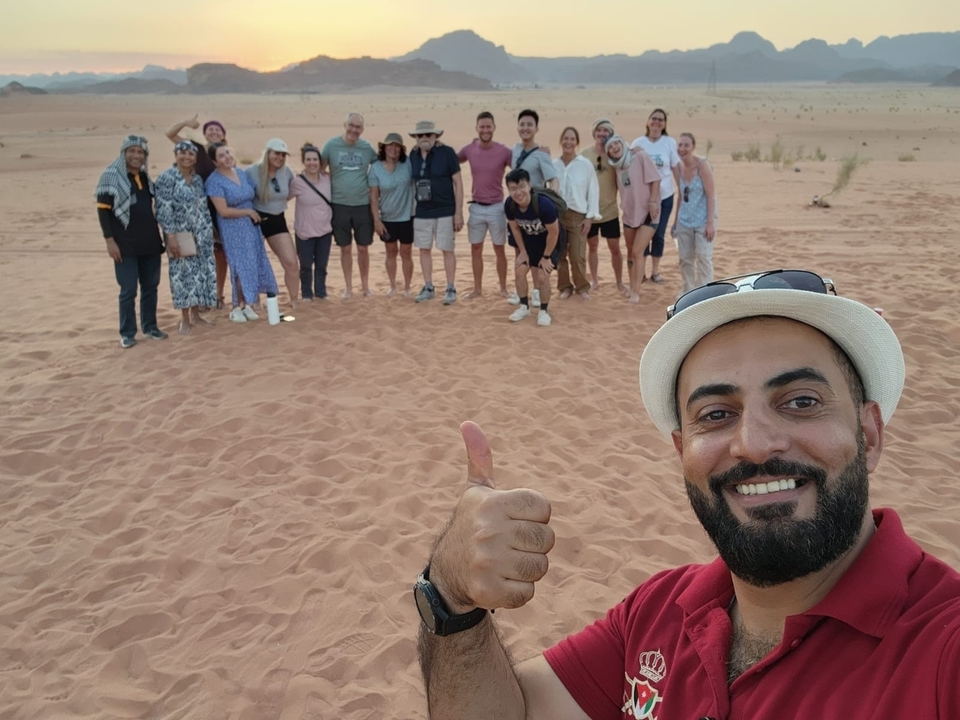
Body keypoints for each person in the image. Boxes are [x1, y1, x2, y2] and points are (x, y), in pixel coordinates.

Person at [414, 269, 960, 719]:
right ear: (683, 451)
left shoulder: (940, 651)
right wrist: (451, 598)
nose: (754, 444)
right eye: (716, 414)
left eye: (801, 401)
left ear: (869, 434)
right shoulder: (659, 612)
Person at [95, 135, 167, 348]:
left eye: (140, 152)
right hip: (124, 245)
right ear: (123, 153)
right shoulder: (111, 176)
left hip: (150, 243)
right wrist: (109, 241)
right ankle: (127, 333)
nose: (136, 156)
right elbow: (103, 211)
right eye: (132, 151)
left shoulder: (144, 177)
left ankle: (150, 327)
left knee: (150, 286)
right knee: (128, 290)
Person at [205, 142, 279, 323]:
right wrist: (247, 212)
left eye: (227, 153)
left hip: (251, 227)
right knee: (239, 265)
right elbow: (223, 211)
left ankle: (246, 304)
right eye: (221, 156)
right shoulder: (214, 181)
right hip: (233, 228)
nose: (227, 157)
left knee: (252, 263)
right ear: (215, 162)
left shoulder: (240, 173)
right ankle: (236, 307)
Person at [165, 115, 230, 308]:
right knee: (198, 253)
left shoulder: (225, 155)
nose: (214, 132)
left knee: (220, 254)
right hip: (196, 211)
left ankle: (218, 295)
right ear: (205, 134)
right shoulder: (196, 150)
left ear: (223, 135)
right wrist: (185, 122)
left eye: (218, 129)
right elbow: (170, 134)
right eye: (210, 129)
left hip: (219, 211)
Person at [154, 141, 217, 335]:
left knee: (199, 274)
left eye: (191, 154)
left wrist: (210, 231)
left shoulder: (197, 180)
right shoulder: (166, 178)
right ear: (176, 155)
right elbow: (163, 209)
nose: (186, 157)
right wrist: (170, 236)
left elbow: (203, 208)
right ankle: (184, 319)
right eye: (182, 153)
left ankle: (196, 315)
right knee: (182, 276)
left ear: (196, 158)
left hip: (202, 234)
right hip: (179, 234)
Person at [457, 111, 513, 299]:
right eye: (482, 127)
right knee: (476, 249)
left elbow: (521, 165)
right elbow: (452, 160)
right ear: (477, 128)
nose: (485, 130)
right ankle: (477, 289)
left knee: (499, 249)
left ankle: (503, 288)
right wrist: (438, 147)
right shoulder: (469, 149)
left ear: (494, 127)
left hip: (497, 207)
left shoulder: (504, 151)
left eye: (488, 126)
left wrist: (541, 151)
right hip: (476, 208)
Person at [321, 112, 377, 298]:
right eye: (351, 125)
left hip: (362, 205)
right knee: (345, 248)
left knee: (363, 248)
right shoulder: (331, 145)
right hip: (339, 205)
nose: (354, 130)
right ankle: (348, 287)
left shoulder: (367, 148)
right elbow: (318, 169)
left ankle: (365, 286)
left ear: (363, 129)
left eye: (358, 127)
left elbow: (381, 165)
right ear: (344, 125)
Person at [408, 120, 464, 305]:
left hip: (445, 210)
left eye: (428, 135)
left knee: (447, 249)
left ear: (435, 136)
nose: (424, 138)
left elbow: (458, 182)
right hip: (422, 211)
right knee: (424, 249)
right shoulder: (413, 154)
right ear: (416, 138)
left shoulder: (447, 152)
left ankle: (450, 288)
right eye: (420, 135)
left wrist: (458, 213)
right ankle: (428, 287)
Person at [508, 109, 558, 308]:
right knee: (519, 249)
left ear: (536, 128)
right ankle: (520, 289)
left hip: (536, 210)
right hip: (517, 208)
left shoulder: (541, 154)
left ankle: (537, 291)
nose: (525, 128)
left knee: (537, 253)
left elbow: (553, 179)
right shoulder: (514, 150)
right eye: (522, 124)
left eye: (530, 125)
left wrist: (551, 198)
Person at [503, 169, 564, 327]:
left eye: (522, 186)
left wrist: (546, 257)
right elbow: (515, 228)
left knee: (542, 276)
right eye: (513, 189)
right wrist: (523, 252)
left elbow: (554, 232)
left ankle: (543, 311)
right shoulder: (509, 205)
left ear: (529, 185)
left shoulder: (544, 205)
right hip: (529, 241)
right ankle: (524, 307)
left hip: (550, 242)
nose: (518, 192)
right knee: (519, 272)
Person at [606, 135, 660, 304]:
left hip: (649, 213)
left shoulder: (640, 156)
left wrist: (652, 202)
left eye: (616, 143)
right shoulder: (616, 167)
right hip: (629, 215)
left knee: (637, 252)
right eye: (610, 147)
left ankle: (636, 291)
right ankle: (631, 286)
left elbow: (656, 179)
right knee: (630, 252)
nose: (614, 147)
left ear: (622, 143)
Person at [246, 138, 300, 307]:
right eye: (277, 153)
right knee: (254, 263)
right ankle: (254, 301)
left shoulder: (287, 172)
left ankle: (294, 300)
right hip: (256, 220)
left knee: (291, 262)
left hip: (277, 220)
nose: (280, 158)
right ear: (268, 153)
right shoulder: (252, 171)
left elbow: (289, 193)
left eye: (283, 155)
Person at [631, 108, 681, 285]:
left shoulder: (669, 143)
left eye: (661, 119)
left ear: (664, 124)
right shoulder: (638, 142)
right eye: (654, 119)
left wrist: (681, 189)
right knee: (642, 235)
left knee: (658, 234)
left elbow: (675, 168)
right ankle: (641, 272)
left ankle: (655, 271)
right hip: (643, 199)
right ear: (648, 121)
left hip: (665, 196)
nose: (656, 122)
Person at [552, 127, 600, 300]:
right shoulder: (554, 165)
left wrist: (589, 217)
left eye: (572, 139)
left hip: (578, 216)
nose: (568, 142)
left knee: (577, 255)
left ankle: (582, 287)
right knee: (560, 255)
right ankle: (565, 287)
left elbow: (593, 191)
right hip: (558, 216)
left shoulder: (585, 165)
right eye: (566, 138)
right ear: (561, 141)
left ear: (577, 142)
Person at [580, 118, 624, 293]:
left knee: (615, 248)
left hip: (610, 211)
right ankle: (594, 281)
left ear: (611, 134)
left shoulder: (614, 153)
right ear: (594, 133)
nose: (602, 134)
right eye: (599, 130)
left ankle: (619, 282)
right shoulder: (584, 154)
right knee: (592, 246)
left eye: (606, 131)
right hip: (590, 212)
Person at [369, 132, 415, 298]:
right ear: (384, 148)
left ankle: (407, 287)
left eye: (397, 146)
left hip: (407, 216)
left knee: (406, 252)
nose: (393, 149)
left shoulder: (408, 163)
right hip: (387, 218)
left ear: (401, 149)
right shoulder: (375, 168)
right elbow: (374, 197)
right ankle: (393, 286)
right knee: (391, 252)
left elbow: (422, 151)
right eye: (390, 145)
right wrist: (377, 221)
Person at [288, 143, 334, 302]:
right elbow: (282, 199)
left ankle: (321, 292)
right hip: (305, 232)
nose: (312, 163)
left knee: (321, 265)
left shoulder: (327, 179)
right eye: (308, 159)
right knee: (306, 266)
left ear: (320, 162)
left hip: (325, 230)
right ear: (303, 161)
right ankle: (307, 294)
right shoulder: (297, 182)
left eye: (315, 159)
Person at [674, 132, 718, 296]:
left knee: (703, 257)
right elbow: (680, 195)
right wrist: (675, 222)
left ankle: (705, 294)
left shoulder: (702, 166)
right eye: (680, 145)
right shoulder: (677, 167)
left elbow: (711, 195)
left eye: (686, 145)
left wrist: (710, 223)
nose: (682, 148)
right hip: (684, 219)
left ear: (693, 147)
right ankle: (688, 292)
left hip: (703, 219)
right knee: (685, 258)